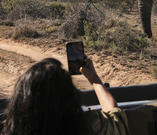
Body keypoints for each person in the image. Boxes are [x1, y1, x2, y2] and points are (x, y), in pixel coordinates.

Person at [1, 57, 130, 135]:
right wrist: (94, 79)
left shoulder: (14, 128)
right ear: (71, 97)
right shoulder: (89, 127)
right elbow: (116, 120)